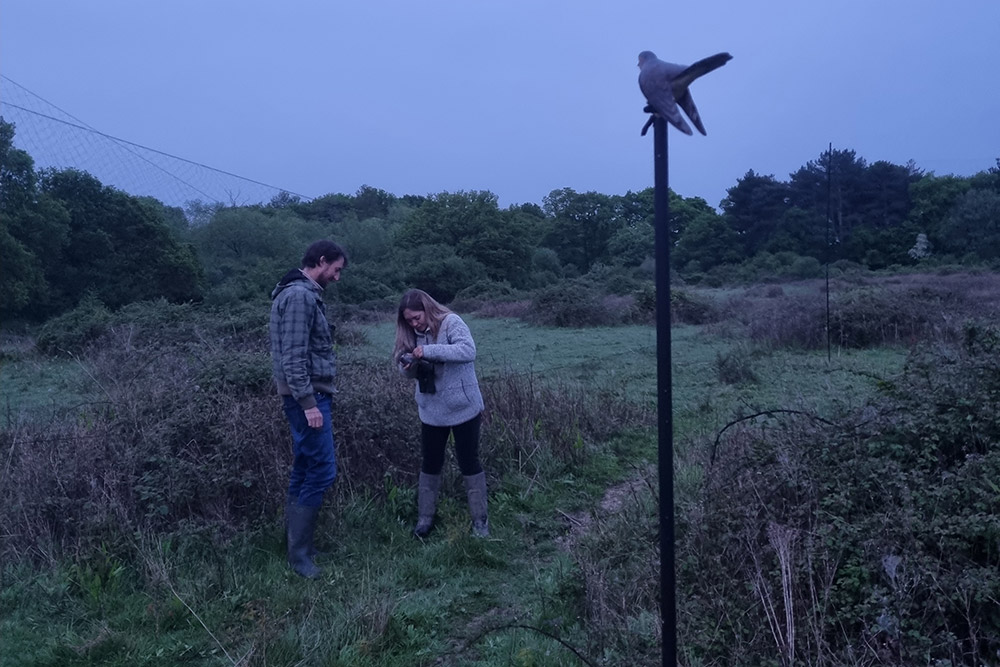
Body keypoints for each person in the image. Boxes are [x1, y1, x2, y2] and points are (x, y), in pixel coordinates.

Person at [269, 240, 347, 578]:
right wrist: (308, 403)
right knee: (322, 471)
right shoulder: (300, 296)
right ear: (321, 261)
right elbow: (293, 355)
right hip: (308, 398)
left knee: (304, 467)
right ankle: (300, 556)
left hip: (308, 396)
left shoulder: (302, 293)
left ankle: (298, 548)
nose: (337, 277)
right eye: (336, 269)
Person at [393, 288, 489, 538]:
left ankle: (480, 521)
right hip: (431, 410)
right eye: (409, 320)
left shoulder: (451, 322)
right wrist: (408, 365)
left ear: (428, 309)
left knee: (469, 461)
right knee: (430, 463)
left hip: (463, 408)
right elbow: (406, 372)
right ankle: (424, 520)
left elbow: (468, 351)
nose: (414, 323)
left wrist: (429, 352)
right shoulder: (410, 334)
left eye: (417, 317)